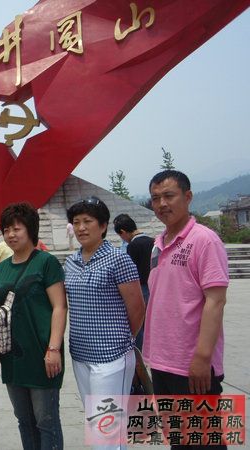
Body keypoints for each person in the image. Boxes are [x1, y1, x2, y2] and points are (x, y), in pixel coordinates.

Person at [144, 170, 228, 450]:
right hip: (162, 363)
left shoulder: (204, 240)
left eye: (169, 196)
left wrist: (203, 358)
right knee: (178, 441)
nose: (161, 204)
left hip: (193, 366)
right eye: (155, 198)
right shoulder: (158, 244)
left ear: (188, 196)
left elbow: (216, 301)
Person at [64, 197, 145, 450]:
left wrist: (124, 340)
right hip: (81, 355)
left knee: (106, 431)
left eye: (87, 221)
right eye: (76, 222)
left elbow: (137, 307)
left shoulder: (118, 259)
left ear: (103, 226)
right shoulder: (71, 262)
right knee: (98, 425)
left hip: (111, 357)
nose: (81, 228)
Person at [0, 203, 68, 450]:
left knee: (46, 421)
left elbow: (59, 307)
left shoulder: (46, 262)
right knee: (24, 421)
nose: (11, 234)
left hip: (42, 354)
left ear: (31, 230)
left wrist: (54, 348)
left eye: (17, 229)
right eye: (6, 230)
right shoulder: (2, 268)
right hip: (13, 357)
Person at [113, 214, 154, 349]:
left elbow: (130, 272)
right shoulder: (152, 241)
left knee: (139, 321)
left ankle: (140, 350)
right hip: (153, 287)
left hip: (140, 288)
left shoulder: (133, 246)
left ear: (123, 232)